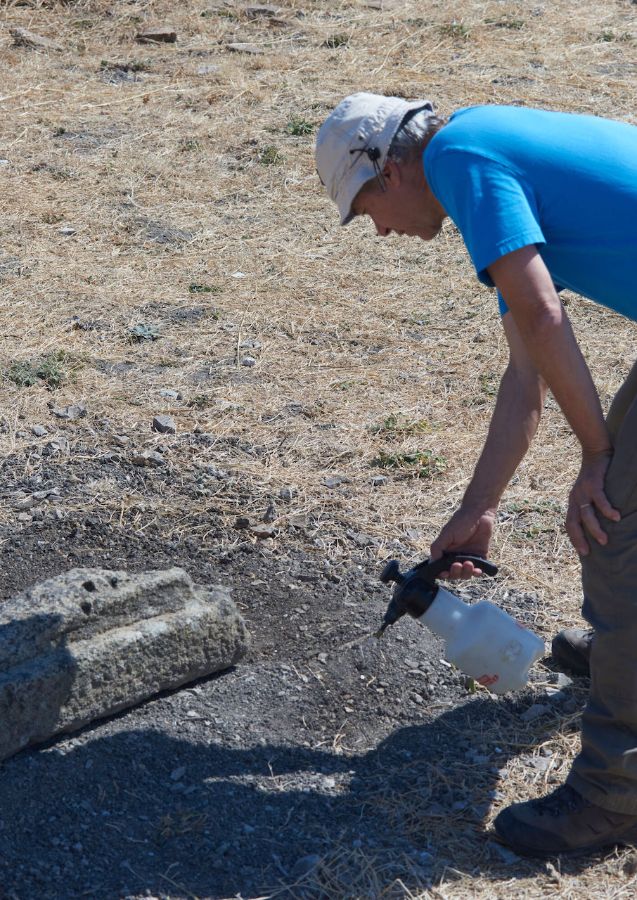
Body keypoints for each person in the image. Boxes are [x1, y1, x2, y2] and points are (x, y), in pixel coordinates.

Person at [315, 93, 637, 857]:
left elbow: (545, 319)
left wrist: (594, 457)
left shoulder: (461, 160)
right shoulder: (485, 155)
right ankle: (626, 658)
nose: (383, 232)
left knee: (616, 524)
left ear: (390, 170)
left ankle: (616, 791)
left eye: (367, 212)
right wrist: (478, 507)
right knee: (620, 507)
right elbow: (524, 372)